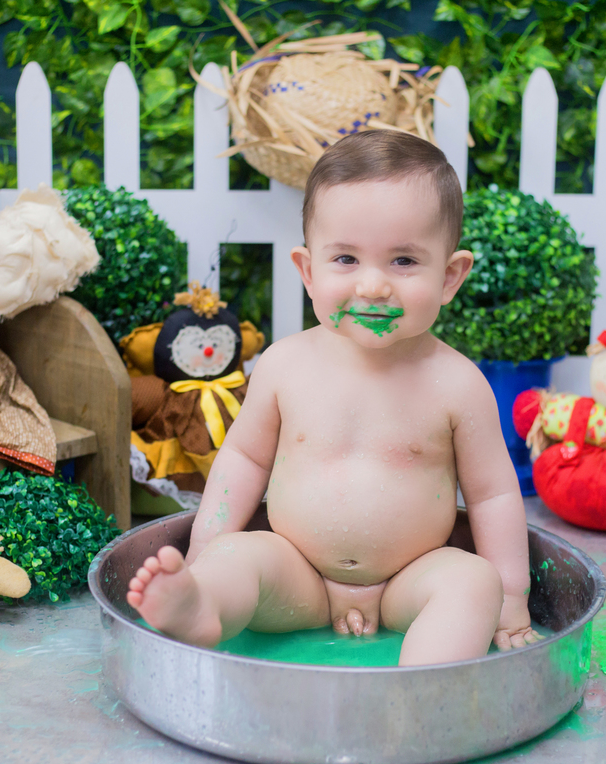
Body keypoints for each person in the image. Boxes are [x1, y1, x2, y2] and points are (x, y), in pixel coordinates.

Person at [127, 129, 539, 666]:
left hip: (409, 581)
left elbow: (493, 497)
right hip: (296, 574)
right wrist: (206, 553)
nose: (373, 286)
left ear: (450, 276)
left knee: (474, 582)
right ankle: (202, 606)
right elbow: (243, 460)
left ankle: (423, 683)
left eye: (404, 262)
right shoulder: (284, 365)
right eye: (345, 259)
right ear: (308, 271)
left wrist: (511, 597)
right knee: (237, 556)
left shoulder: (456, 384)